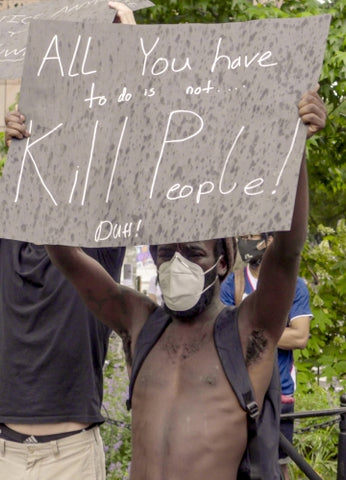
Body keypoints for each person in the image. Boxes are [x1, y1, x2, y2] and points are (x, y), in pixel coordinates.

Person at [44, 89, 326, 480]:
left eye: (193, 254)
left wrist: (295, 150)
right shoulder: (139, 322)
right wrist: (35, 154)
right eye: (166, 254)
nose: (176, 264)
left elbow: (288, 252)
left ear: (223, 263)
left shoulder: (250, 330)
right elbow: (66, 257)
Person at [0, 4, 135, 480]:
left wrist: (125, 40)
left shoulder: (91, 244)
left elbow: (123, 144)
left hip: (70, 458)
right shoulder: (7, 233)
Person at [220, 232, 312, 480]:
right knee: (235, 467)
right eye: (242, 237)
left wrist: (250, 329)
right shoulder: (233, 284)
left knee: (279, 466)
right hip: (238, 394)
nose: (245, 243)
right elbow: (223, 334)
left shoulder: (293, 285)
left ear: (269, 241)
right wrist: (274, 332)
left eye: (251, 236)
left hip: (280, 395)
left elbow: (300, 337)